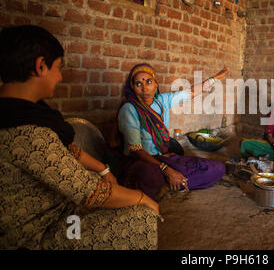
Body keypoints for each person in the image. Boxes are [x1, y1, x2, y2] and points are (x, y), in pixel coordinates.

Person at [0, 25, 160, 250]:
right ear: (41, 66)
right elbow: (90, 191)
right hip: (37, 234)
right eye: (58, 68)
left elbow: (67, 151)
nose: (60, 77)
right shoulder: (27, 130)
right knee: (141, 216)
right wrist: (143, 199)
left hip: (58, 209)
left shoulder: (22, 114)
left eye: (149, 81)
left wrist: (104, 171)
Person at [115, 63, 227, 201]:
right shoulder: (129, 109)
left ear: (156, 84)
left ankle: (170, 184)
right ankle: (172, 181)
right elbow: (136, 150)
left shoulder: (162, 101)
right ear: (133, 88)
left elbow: (190, 92)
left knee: (218, 168)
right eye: (138, 84)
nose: (144, 88)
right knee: (149, 175)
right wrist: (166, 169)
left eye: (148, 82)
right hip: (142, 160)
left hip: (163, 157)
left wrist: (214, 79)